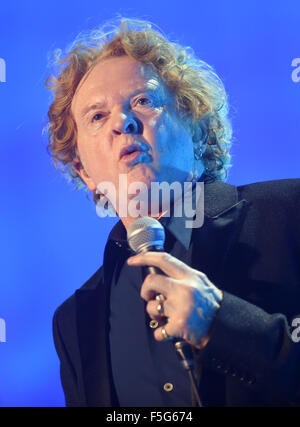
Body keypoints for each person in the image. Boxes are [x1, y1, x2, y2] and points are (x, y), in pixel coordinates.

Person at [46, 18, 300, 407]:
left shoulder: (289, 213)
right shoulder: (75, 319)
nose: (122, 121)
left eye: (144, 100)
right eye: (97, 116)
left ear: (196, 128)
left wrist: (224, 325)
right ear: (83, 171)